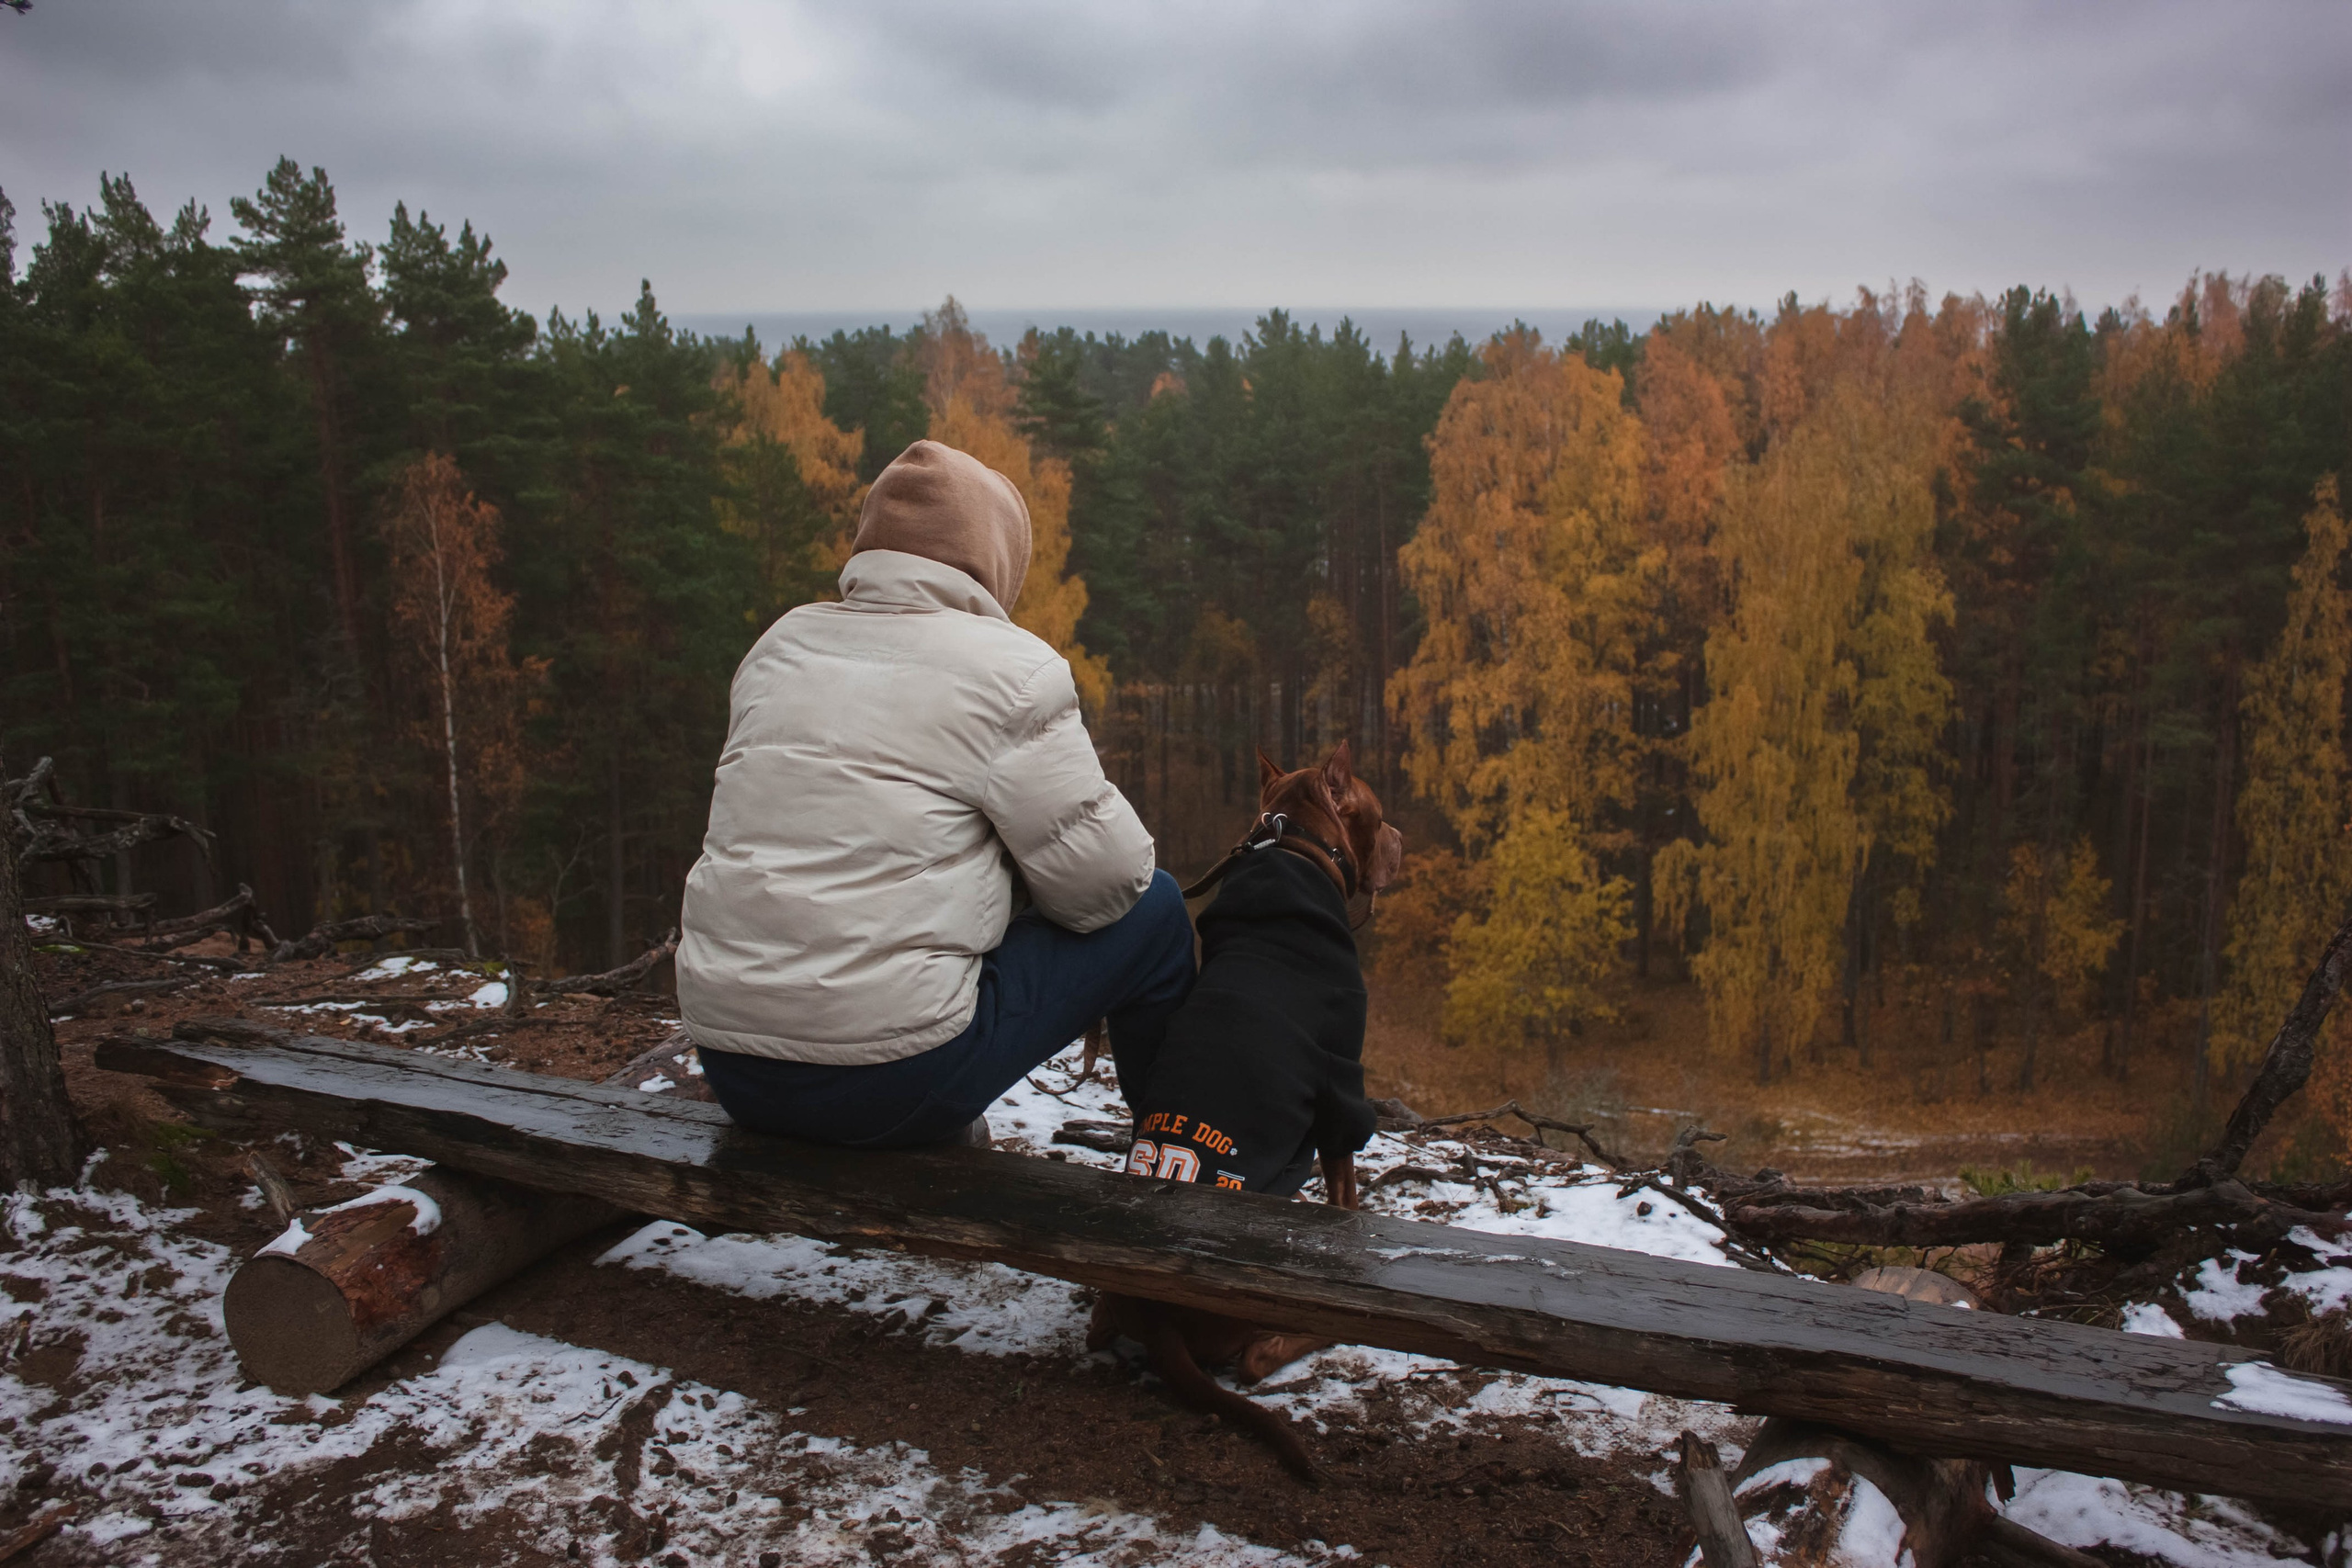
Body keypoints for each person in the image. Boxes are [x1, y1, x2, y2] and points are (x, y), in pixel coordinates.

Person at [676, 438, 1194, 1147]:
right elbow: (1106, 885)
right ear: (994, 558)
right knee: (1158, 909)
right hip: (886, 1080)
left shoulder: (779, 647)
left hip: (734, 1066)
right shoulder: (1011, 671)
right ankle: (1179, 1155)